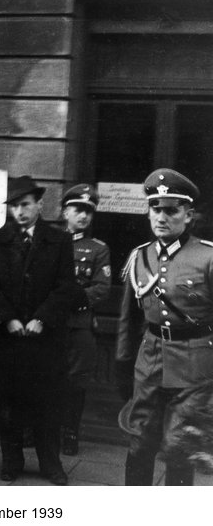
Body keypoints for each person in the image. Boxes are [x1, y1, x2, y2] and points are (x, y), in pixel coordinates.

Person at [116, 168, 213, 486]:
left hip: (194, 367)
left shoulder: (207, 257)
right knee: (140, 439)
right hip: (149, 362)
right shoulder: (139, 258)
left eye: (171, 210)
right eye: (155, 209)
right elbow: (128, 319)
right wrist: (123, 362)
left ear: (188, 215)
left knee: (179, 445)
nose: (161, 217)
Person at [0, 175, 78, 485]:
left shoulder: (59, 240)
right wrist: (7, 318)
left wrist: (43, 318)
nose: (19, 212)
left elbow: (66, 287)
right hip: (8, 337)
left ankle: (50, 464)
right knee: (9, 403)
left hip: (46, 338)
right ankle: (11, 461)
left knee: (48, 403)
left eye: (25, 205)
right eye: (14, 206)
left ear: (40, 205)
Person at [60, 184, 111, 456]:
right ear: (65, 211)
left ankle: (70, 433)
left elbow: (102, 288)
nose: (83, 216)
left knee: (75, 381)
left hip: (79, 323)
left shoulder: (97, 249)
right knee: (44, 376)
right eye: (78, 209)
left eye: (89, 212)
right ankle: (38, 429)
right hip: (49, 322)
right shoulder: (49, 241)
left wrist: (73, 299)